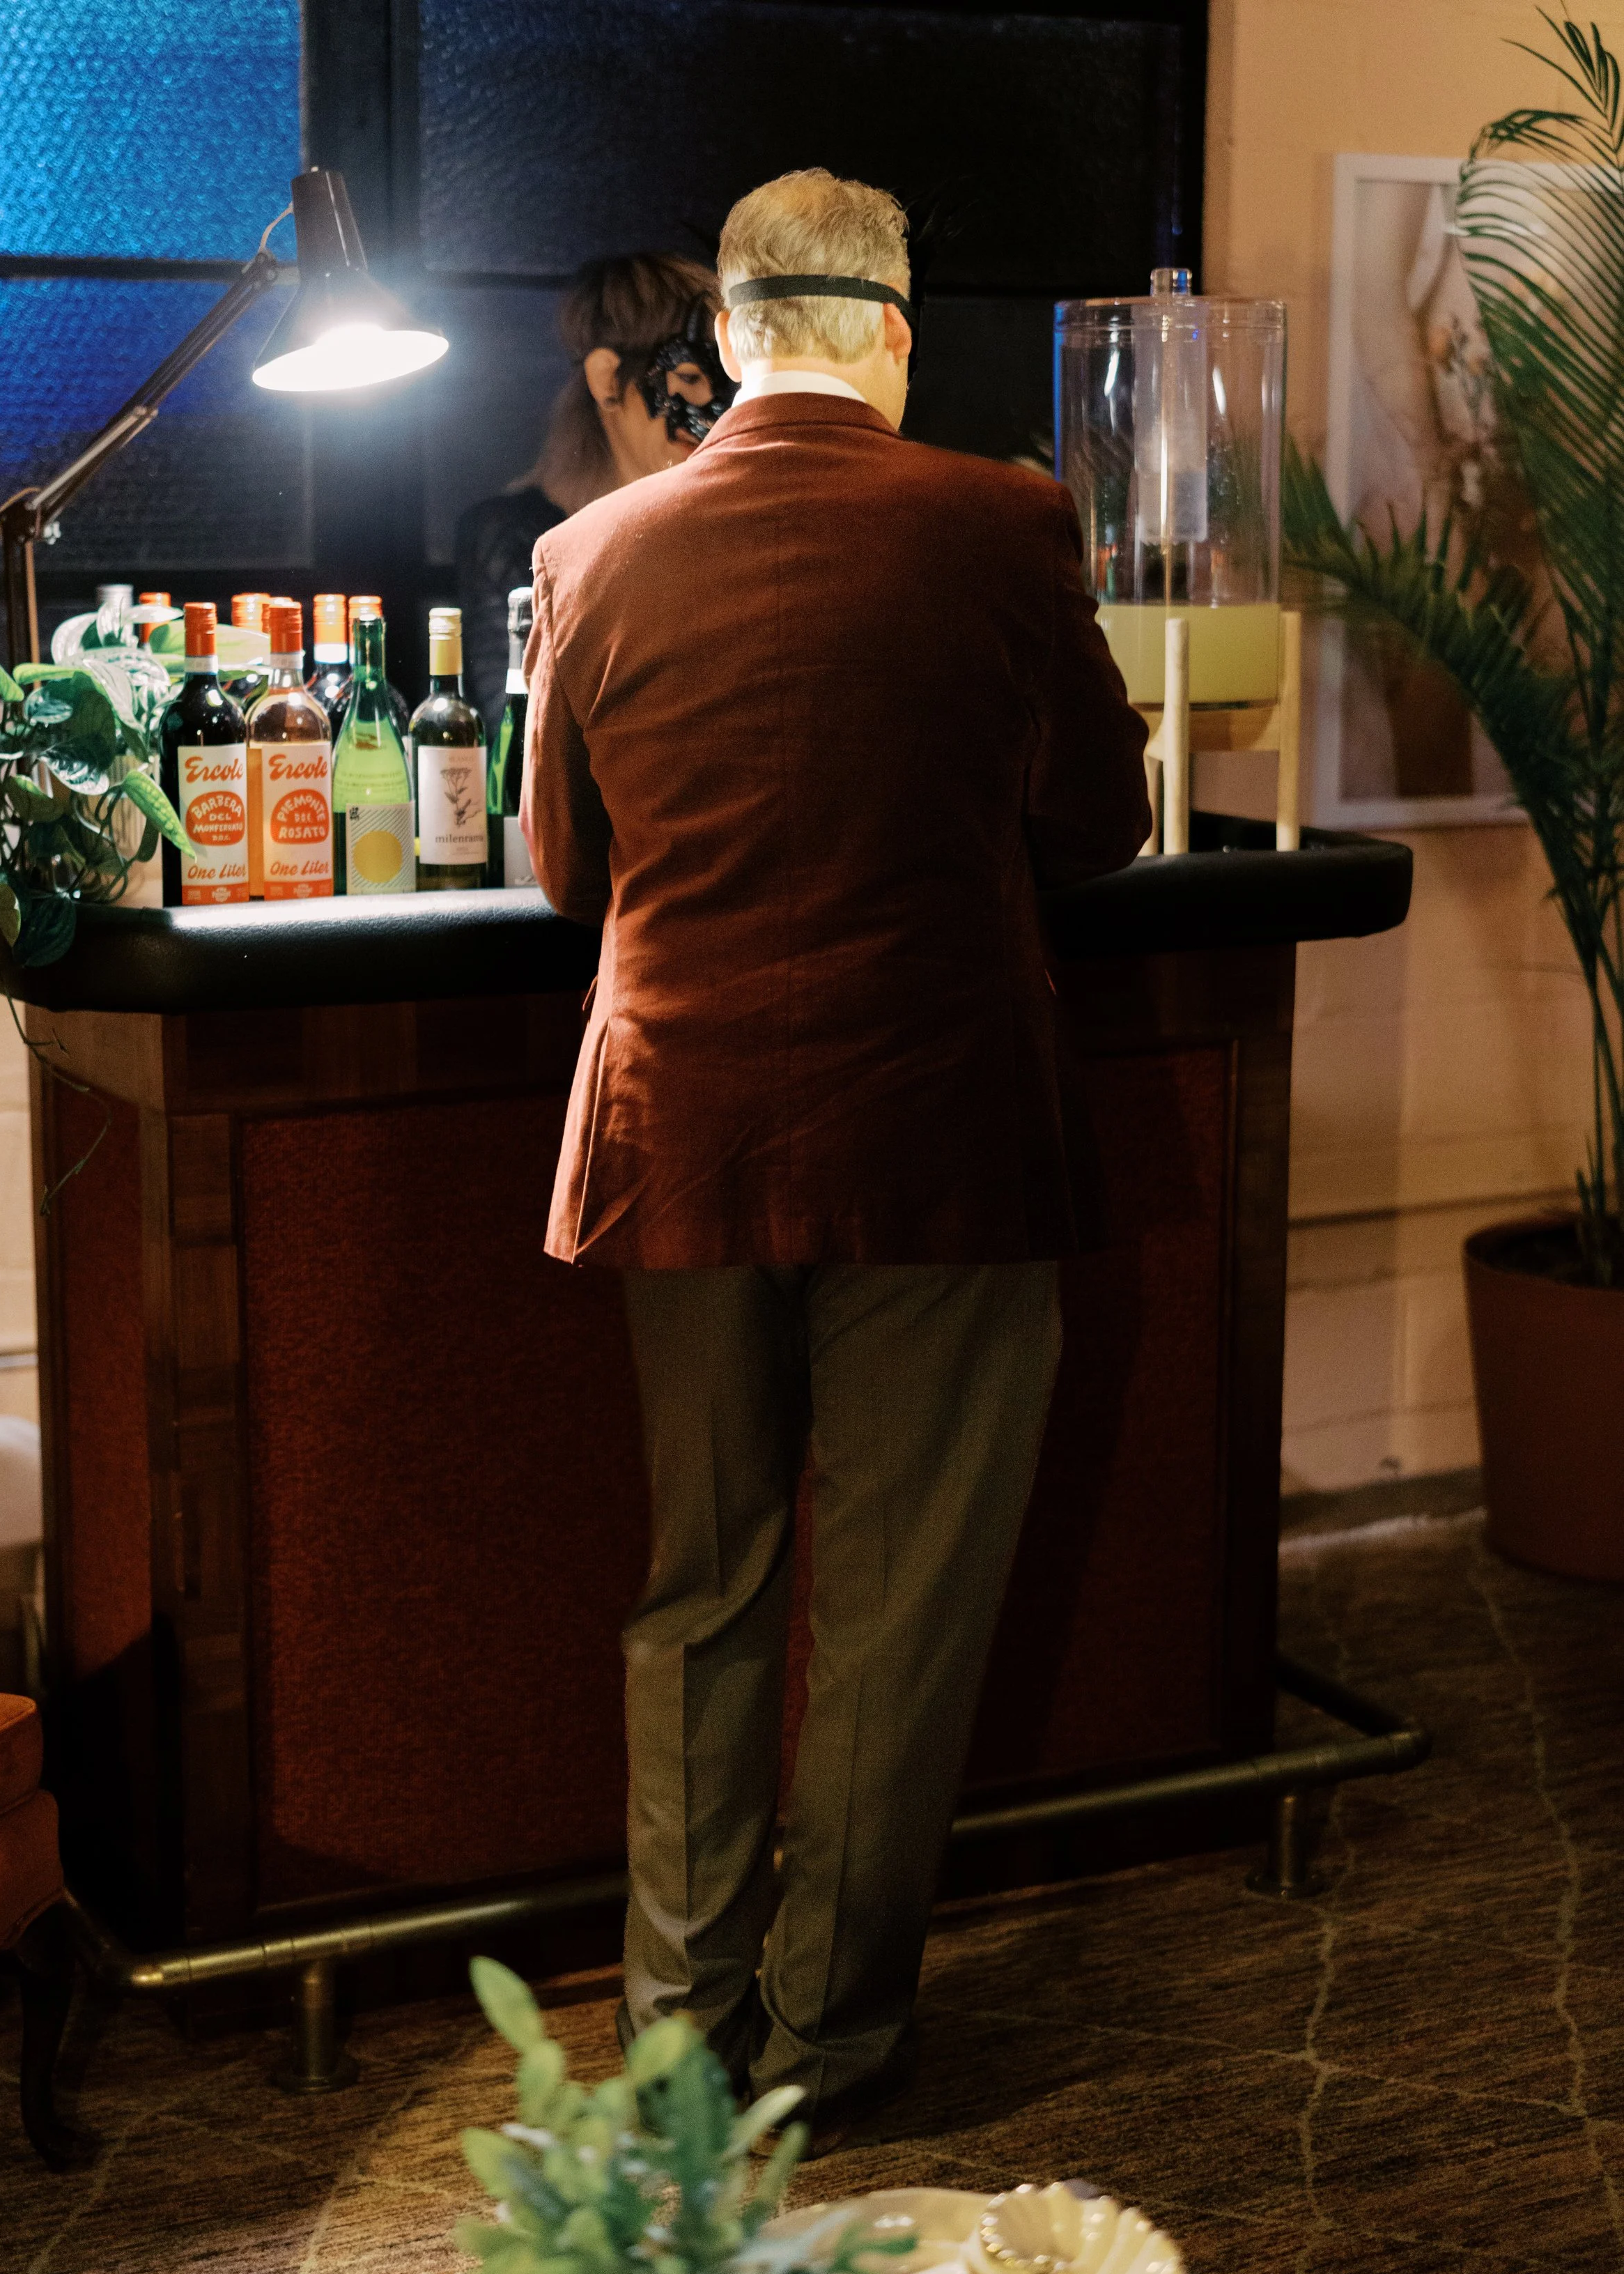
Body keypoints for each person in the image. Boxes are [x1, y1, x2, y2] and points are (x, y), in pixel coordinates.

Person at [522, 169, 1151, 2139]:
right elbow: (1098, 828)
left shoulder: (596, 552)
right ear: (891, 332)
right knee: (893, 1605)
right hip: (938, 1130)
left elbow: (562, 870)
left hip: (679, 1134)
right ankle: (828, 2052)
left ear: (727, 338)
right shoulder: (1000, 521)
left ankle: (680, 2040)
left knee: (697, 1587)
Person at [455, 254, 729, 738]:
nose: (710, 412)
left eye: (728, 383)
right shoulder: (509, 539)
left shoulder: (731, 530)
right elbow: (518, 737)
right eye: (689, 379)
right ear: (608, 380)